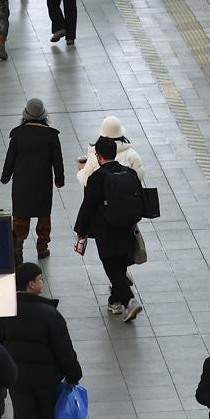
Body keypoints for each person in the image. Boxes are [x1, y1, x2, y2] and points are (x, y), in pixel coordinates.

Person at [0, 262, 82, 419]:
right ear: (31, 284)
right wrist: (73, 374)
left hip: (18, 380)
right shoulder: (50, 314)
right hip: (46, 381)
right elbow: (64, 351)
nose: (42, 282)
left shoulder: (2, 313)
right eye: (40, 279)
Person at [72, 137, 144, 321]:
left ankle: (130, 301)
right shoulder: (129, 172)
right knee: (120, 264)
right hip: (127, 226)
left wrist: (81, 230)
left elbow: (88, 206)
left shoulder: (97, 178)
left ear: (98, 156)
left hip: (106, 230)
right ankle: (115, 301)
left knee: (111, 267)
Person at [0, 100, 64, 265]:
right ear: (44, 116)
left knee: (20, 218)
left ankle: (17, 251)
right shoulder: (51, 135)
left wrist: (5, 177)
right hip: (43, 183)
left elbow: (10, 158)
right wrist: (59, 180)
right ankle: (42, 248)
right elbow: (58, 161)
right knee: (44, 217)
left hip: (22, 184)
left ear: (25, 115)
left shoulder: (18, 134)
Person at [74, 115, 145, 187]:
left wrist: (81, 170)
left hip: (102, 194)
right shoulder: (131, 153)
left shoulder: (96, 154)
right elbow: (139, 175)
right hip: (125, 193)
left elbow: (86, 181)